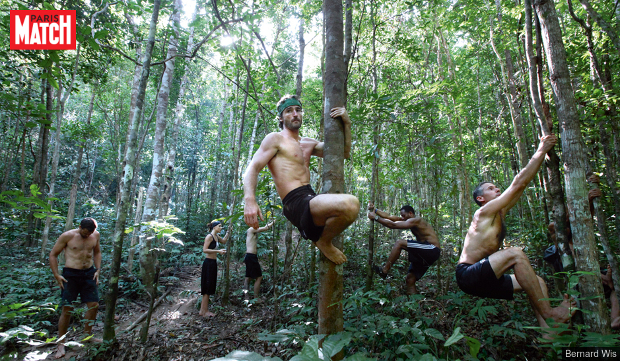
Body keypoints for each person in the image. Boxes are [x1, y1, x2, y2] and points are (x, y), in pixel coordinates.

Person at [456, 135, 576, 334]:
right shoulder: (483, 213)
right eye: (491, 188)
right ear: (480, 198)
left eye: (496, 187)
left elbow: (521, 186)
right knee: (515, 254)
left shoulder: (498, 213)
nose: (497, 189)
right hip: (468, 275)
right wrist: (541, 149)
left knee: (537, 281)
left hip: (488, 278)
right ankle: (551, 315)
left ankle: (549, 333)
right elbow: (517, 183)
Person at [243, 94, 360, 265]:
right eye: (289, 111)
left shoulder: (308, 143)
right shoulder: (275, 139)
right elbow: (252, 168)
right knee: (350, 204)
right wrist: (250, 200)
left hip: (309, 197)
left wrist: (347, 123)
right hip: (294, 202)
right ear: (281, 118)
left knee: (349, 207)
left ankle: (321, 238)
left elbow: (344, 153)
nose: (295, 114)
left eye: (298, 110)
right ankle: (324, 242)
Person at [49, 217, 101, 359]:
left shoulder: (95, 235)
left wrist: (98, 269)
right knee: (67, 308)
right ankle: (61, 343)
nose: (87, 236)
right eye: (85, 233)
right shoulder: (67, 236)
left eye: (90, 233)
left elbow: (97, 252)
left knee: (93, 305)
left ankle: (87, 335)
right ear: (79, 227)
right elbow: (53, 255)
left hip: (88, 273)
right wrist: (57, 275)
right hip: (71, 275)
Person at [367, 203, 441, 295]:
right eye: (401, 216)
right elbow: (390, 217)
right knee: (410, 279)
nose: (402, 218)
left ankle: (384, 270)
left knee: (400, 243)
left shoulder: (416, 220)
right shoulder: (408, 220)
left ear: (410, 213)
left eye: (403, 215)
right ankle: (413, 305)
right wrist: (375, 210)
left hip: (432, 249)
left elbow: (393, 225)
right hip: (425, 252)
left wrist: (376, 218)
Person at [200, 220, 230, 317]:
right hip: (208, 263)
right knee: (207, 287)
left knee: (210, 286)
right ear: (214, 227)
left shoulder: (216, 236)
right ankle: (204, 311)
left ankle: (203, 310)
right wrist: (218, 251)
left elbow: (224, 241)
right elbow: (205, 250)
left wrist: (229, 231)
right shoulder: (209, 236)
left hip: (213, 263)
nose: (221, 228)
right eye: (219, 226)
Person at [243, 221, 274, 301]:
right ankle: (256, 298)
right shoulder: (251, 229)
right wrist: (273, 221)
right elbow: (266, 228)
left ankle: (247, 298)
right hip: (251, 256)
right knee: (259, 277)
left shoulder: (252, 230)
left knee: (248, 277)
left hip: (250, 256)